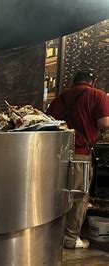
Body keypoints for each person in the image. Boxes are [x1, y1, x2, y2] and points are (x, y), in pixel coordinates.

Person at [47, 70, 109, 249]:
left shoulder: (60, 99)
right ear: (93, 81)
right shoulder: (98, 95)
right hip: (80, 154)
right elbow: (104, 123)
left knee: (57, 194)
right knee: (78, 196)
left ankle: (52, 234)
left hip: (56, 155)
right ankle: (70, 238)